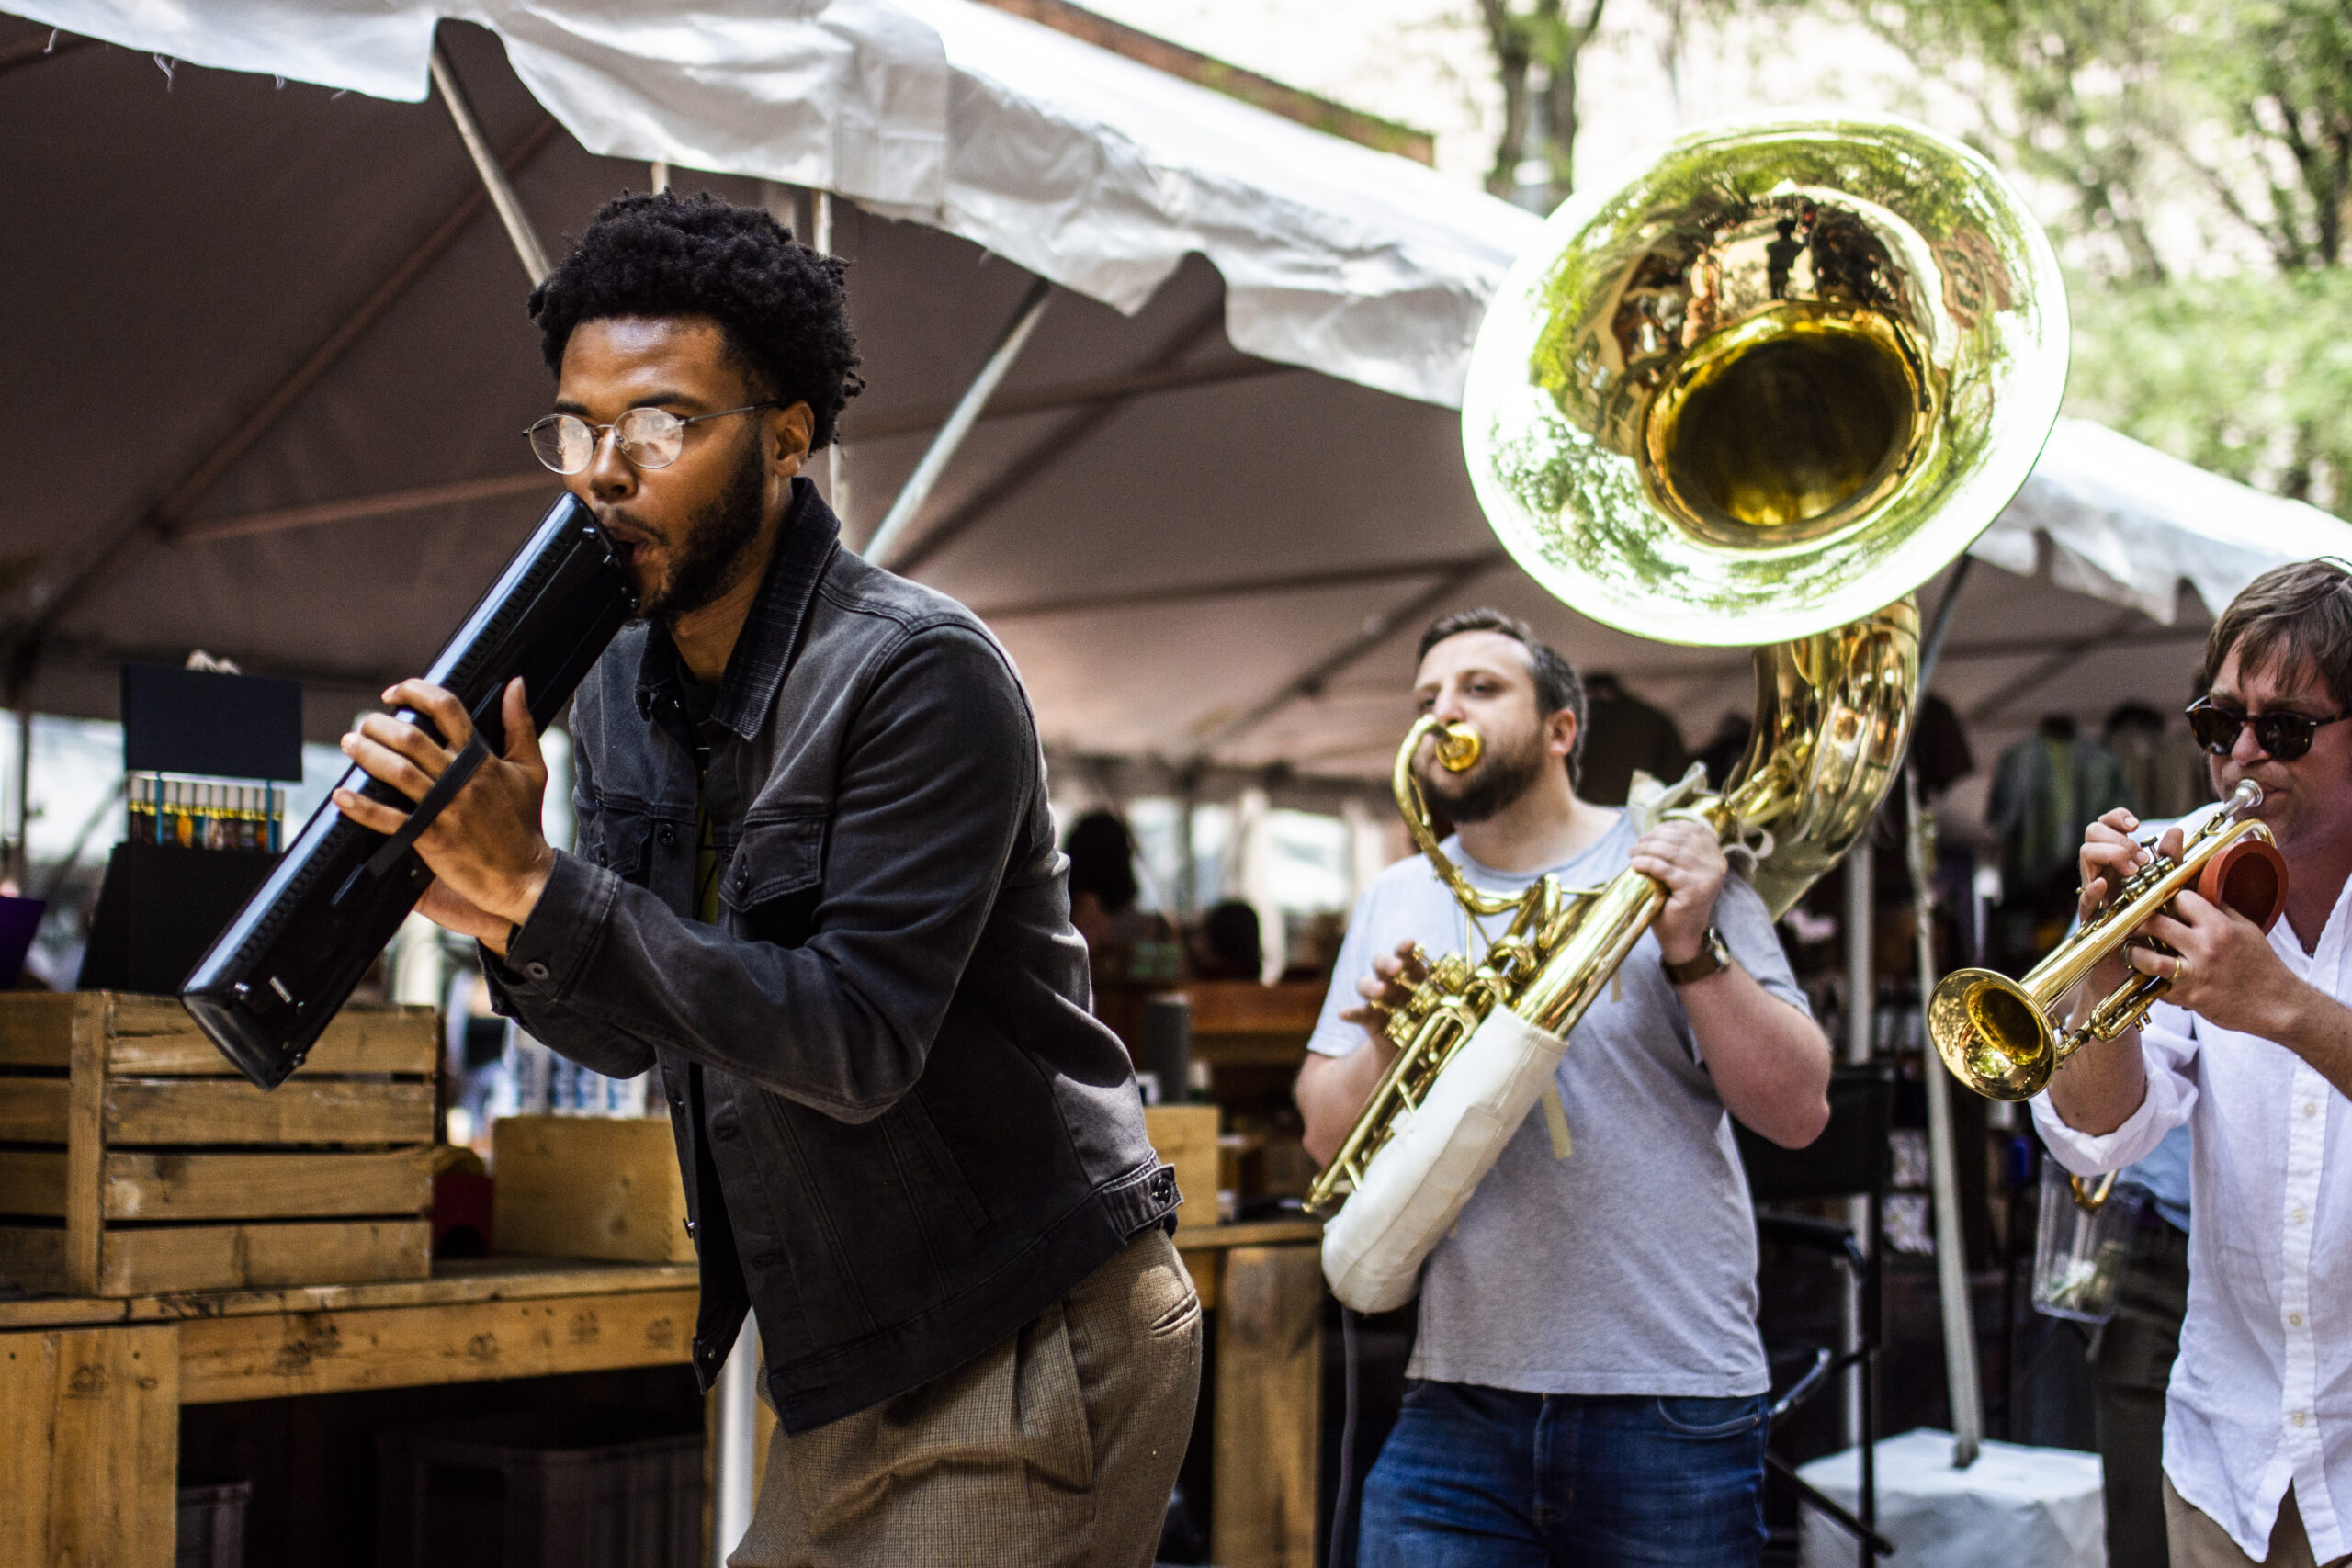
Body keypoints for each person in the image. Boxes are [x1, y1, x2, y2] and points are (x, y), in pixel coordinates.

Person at [330, 191, 1199, 1567]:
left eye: (663, 422)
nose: (606, 470)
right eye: (580, 428)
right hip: (848, 1358)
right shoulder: (615, 678)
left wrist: (548, 890)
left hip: (1028, 1330)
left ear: (789, 433)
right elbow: (629, 1028)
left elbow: (856, 1039)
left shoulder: (921, 672)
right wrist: (495, 909)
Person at [1294, 608, 1833, 1567]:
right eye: (1425, 699)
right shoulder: (1395, 896)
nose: (1441, 712)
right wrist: (1384, 1038)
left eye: (1478, 689)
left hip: (1669, 1395)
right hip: (1455, 1396)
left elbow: (1796, 1113)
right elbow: (1326, 1142)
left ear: (1560, 730)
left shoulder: (1674, 862)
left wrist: (1691, 945)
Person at [2039, 559, 2352, 1568]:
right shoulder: (2183, 867)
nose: (2243, 757)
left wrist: (2284, 1009)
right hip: (2229, 1455)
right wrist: (2097, 973)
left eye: (2286, 728)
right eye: (2220, 723)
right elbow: (2100, 1131)